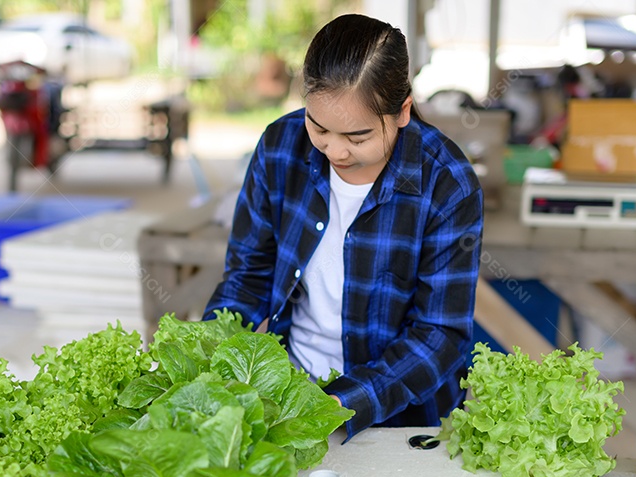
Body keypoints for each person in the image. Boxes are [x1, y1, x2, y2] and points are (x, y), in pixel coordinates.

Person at [204, 13, 483, 439]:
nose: (335, 150)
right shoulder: (280, 147)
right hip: (289, 394)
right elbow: (247, 277)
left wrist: (339, 403)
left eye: (357, 137)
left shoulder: (446, 182)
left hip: (401, 418)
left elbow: (439, 334)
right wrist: (206, 356)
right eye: (319, 127)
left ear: (402, 111)